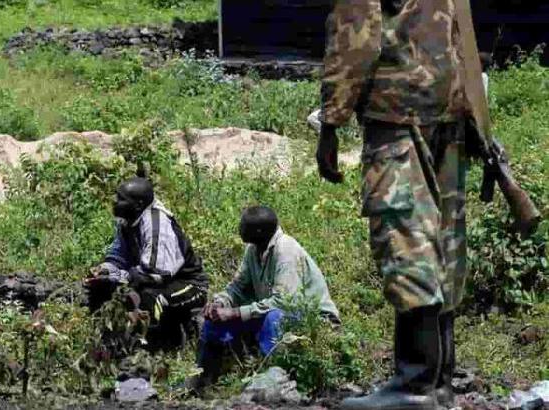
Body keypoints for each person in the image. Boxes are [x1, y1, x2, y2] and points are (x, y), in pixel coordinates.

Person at [316, 1, 473, 409]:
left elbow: (357, 33)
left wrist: (331, 121)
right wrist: (479, 123)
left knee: (405, 238)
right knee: (443, 245)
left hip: (397, 116)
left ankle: (414, 384)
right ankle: (439, 384)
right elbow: (463, 36)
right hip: (452, 116)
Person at [186, 206, 340, 391]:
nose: (240, 228)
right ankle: (202, 382)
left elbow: (285, 302)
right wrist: (220, 303)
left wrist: (235, 312)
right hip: (275, 312)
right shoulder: (254, 249)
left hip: (313, 319)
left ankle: (273, 380)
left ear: (258, 232)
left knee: (274, 317)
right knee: (213, 322)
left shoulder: (286, 251)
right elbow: (237, 287)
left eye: (244, 226)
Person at [86, 177, 208, 350]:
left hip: (186, 284)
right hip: (146, 276)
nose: (115, 202)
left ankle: (154, 346)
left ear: (137, 205)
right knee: (100, 286)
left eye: (121, 199)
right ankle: (105, 343)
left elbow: (154, 274)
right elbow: (117, 257)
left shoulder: (157, 225)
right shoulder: (127, 221)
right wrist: (104, 271)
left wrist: (117, 276)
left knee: (150, 296)